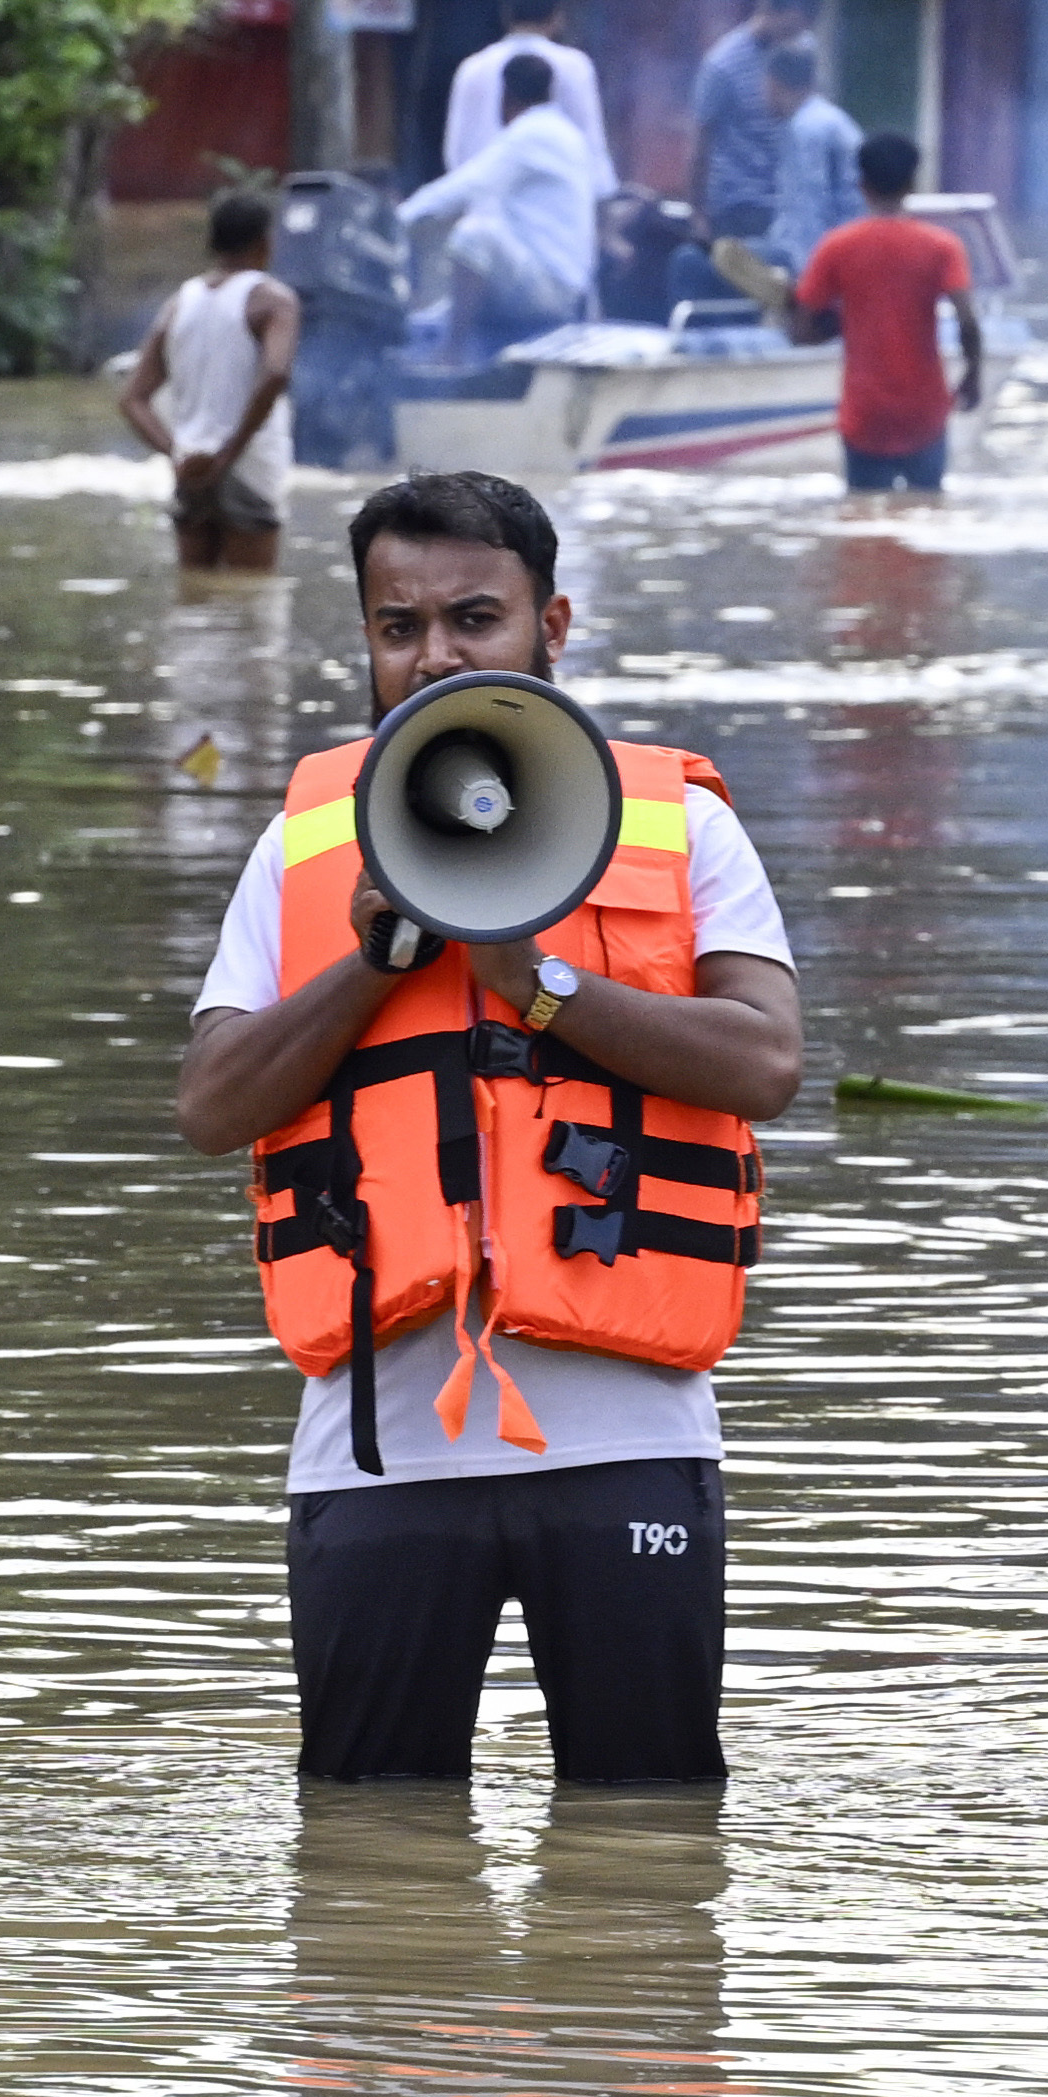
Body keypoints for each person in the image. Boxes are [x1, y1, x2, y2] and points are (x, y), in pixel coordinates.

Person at [171, 474, 809, 1783]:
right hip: (375, 1454)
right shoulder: (296, 849)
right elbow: (211, 1104)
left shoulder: (680, 825)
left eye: (474, 617)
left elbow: (765, 1061)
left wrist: (537, 981)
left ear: (551, 626)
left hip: (631, 1440)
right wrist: (369, 963)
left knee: (647, 1854)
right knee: (366, 1864)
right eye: (397, 626)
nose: (434, 657)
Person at [789, 130, 983, 493]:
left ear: (861, 186)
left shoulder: (836, 247)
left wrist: (842, 324)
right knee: (927, 520)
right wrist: (972, 375)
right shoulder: (943, 246)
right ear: (913, 183)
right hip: (923, 414)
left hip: (865, 417)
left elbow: (801, 331)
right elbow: (967, 319)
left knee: (862, 528)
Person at [119, 184, 301, 569]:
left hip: (191, 470)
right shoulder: (273, 300)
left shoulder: (179, 302)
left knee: (196, 600)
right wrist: (229, 454)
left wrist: (176, 453)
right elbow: (275, 375)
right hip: (249, 466)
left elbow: (132, 398)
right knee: (252, 604)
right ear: (265, 242)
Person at [400, 54, 602, 356]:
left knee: (473, 237)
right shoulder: (565, 133)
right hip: (562, 282)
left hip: (552, 289)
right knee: (424, 323)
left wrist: (394, 218)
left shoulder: (533, 133)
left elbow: (466, 185)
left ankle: (452, 353)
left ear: (505, 96)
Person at [692, 0, 825, 248]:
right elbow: (701, 142)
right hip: (740, 207)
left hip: (790, 204)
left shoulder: (802, 49)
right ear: (766, 8)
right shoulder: (723, 65)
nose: (791, 38)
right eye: (788, 28)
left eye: (800, 31)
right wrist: (698, 215)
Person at [443, 0, 601, 175]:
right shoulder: (573, 66)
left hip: (484, 199)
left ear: (506, 14)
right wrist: (603, 195)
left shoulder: (473, 67)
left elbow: (457, 148)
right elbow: (589, 142)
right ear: (557, 15)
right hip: (550, 200)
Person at [758, 34, 871, 278]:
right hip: (846, 247)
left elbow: (808, 210)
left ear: (774, 84)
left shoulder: (807, 129)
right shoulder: (826, 119)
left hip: (818, 258)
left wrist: (808, 285)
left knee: (694, 262)